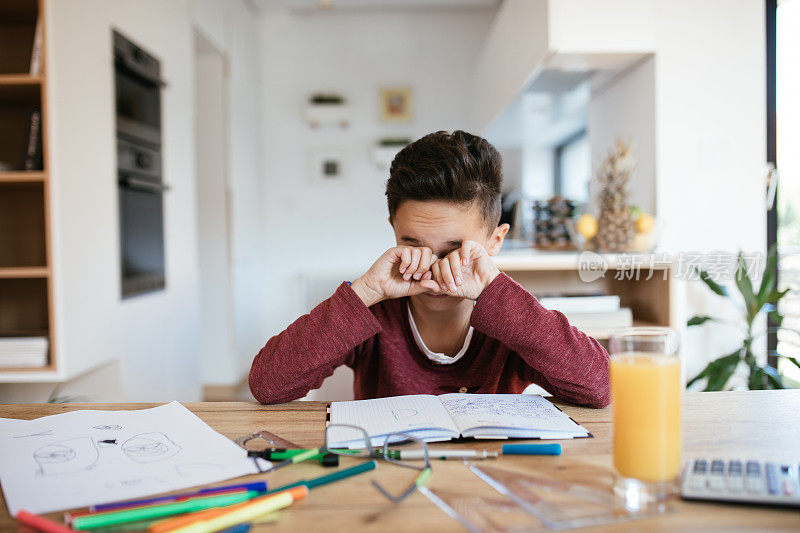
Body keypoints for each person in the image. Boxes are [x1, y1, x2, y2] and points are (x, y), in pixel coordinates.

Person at [249, 130, 610, 407]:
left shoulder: (513, 315)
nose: (434, 270)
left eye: (455, 249)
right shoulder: (375, 313)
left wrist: (498, 294)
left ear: (495, 242)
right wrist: (365, 293)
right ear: (393, 228)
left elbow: (601, 387)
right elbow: (267, 384)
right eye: (413, 246)